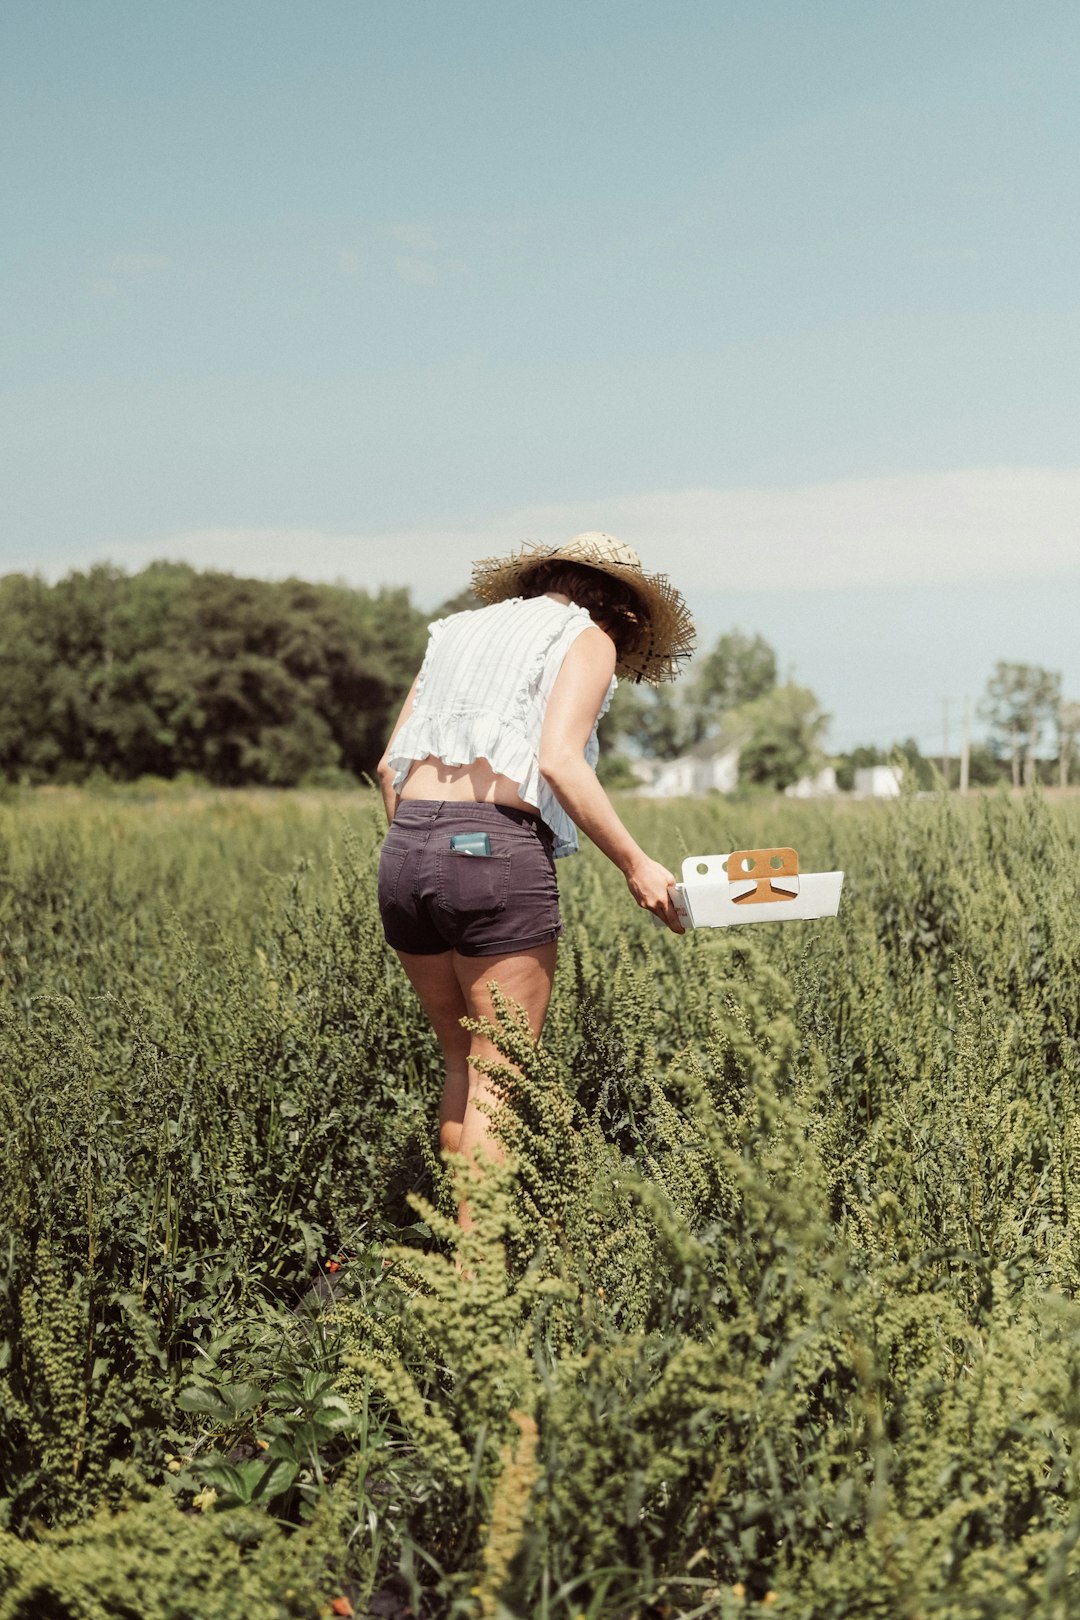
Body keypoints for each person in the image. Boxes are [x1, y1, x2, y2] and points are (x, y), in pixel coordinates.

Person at [375, 532, 695, 1221]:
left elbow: (386, 768)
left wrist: (429, 846)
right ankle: (476, 1294)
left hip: (404, 850)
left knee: (462, 1064)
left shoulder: (454, 632)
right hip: (492, 852)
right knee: (501, 1075)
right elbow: (558, 760)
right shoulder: (586, 638)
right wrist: (638, 864)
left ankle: (456, 1263)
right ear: (622, 611)